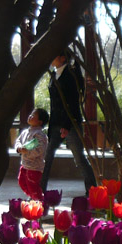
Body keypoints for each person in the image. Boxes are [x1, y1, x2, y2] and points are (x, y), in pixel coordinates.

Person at [41, 51, 97, 195]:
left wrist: (66, 126)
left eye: (55, 55)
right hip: (55, 124)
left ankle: (92, 191)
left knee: (79, 158)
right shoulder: (54, 75)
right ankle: (39, 192)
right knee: (46, 159)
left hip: (70, 123)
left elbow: (72, 103)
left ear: (62, 58)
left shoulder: (70, 75)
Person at [15, 108, 49, 201]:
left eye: (33, 116)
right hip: (25, 165)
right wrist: (18, 148)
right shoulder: (25, 132)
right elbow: (18, 141)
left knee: (33, 186)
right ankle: (34, 198)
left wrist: (27, 152)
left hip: (34, 167)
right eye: (31, 114)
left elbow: (40, 150)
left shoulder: (40, 135)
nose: (30, 116)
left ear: (39, 122)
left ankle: (39, 202)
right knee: (22, 182)